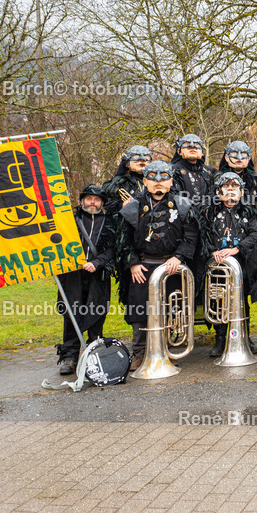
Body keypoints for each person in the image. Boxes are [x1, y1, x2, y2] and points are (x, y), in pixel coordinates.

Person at [116, 161, 199, 371]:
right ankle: (140, 352)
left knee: (172, 310)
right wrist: (133, 263)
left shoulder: (183, 205)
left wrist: (179, 257)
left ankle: (169, 349)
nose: (158, 182)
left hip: (171, 267)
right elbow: (123, 242)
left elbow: (191, 237)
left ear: (171, 181)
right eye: (153, 178)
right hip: (143, 267)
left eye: (164, 178)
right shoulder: (132, 207)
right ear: (145, 181)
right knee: (140, 311)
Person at [55, 185, 116, 375]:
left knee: (97, 312)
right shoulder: (70, 220)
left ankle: (94, 353)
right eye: (89, 199)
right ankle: (70, 355)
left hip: (97, 274)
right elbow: (57, 242)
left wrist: (97, 262)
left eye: (97, 200)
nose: (92, 202)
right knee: (71, 313)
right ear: (82, 200)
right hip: (73, 274)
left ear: (102, 203)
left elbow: (113, 248)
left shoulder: (109, 222)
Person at [200, 172, 257, 357]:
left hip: (242, 264)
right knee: (218, 301)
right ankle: (220, 340)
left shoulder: (249, 211)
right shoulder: (209, 211)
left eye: (234, 187)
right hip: (217, 265)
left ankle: (245, 337)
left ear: (241, 191)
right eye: (226, 187)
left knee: (241, 301)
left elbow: (254, 235)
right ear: (218, 192)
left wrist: (237, 249)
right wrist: (212, 251)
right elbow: (202, 234)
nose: (230, 191)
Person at [217, 140, 257, 225]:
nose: (239, 158)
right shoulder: (218, 178)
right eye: (234, 153)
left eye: (244, 154)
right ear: (226, 157)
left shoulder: (256, 178)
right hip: (224, 222)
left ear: (249, 158)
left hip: (251, 223)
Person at [170, 134, 217, 207]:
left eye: (197, 145)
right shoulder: (171, 171)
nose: (192, 147)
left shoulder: (211, 172)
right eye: (186, 144)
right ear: (179, 151)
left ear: (202, 153)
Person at [102, 145, 151, 215]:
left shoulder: (156, 181)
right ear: (127, 164)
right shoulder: (121, 183)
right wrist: (122, 205)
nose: (142, 160)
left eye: (146, 158)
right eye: (137, 158)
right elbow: (108, 203)